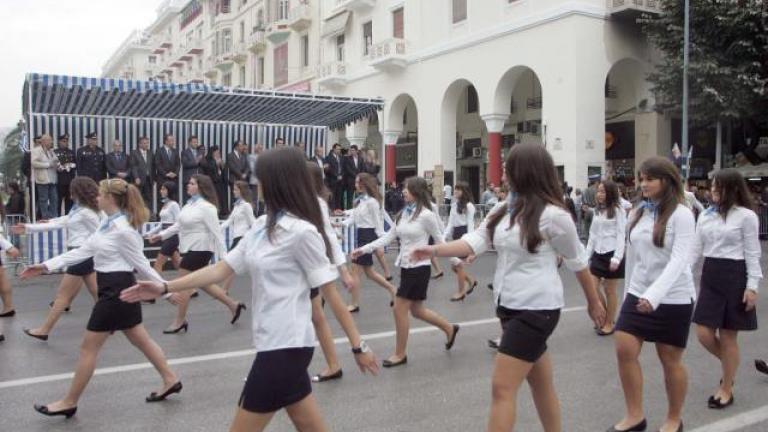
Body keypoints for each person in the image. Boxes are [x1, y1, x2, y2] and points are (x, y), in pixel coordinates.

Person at [120, 147, 378, 431]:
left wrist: (359, 346)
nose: (257, 185)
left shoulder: (302, 233)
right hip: (273, 343)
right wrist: (164, 285)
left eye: (261, 178)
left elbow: (331, 295)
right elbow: (221, 269)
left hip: (285, 348)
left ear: (278, 181)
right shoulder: (260, 226)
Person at [411, 143, 605, 430]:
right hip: (508, 305)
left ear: (524, 171)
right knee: (541, 384)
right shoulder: (503, 209)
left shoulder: (554, 215)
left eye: (506, 167)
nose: (501, 172)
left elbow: (578, 261)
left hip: (537, 309)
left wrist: (594, 302)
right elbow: (474, 242)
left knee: (502, 388)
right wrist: (434, 250)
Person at [21, 178, 181, 418]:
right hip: (113, 287)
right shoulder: (106, 223)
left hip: (117, 290)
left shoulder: (123, 230)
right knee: (141, 339)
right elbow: (83, 251)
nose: (96, 198)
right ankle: (170, 379)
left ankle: (69, 401)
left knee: (88, 348)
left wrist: (166, 289)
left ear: (110, 199)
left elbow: (141, 264)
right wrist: (45, 265)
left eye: (100, 195)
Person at [608, 156, 696, 432]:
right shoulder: (638, 212)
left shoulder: (682, 213)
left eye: (649, 178)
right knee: (624, 348)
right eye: (641, 178)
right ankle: (635, 416)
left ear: (667, 181)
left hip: (674, 297)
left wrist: (655, 295)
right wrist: (628, 299)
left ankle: (673, 418)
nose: (643, 184)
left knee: (670, 360)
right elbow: (633, 259)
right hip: (638, 293)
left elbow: (680, 260)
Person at [352, 176, 460, 368]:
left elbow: (439, 241)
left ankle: (400, 354)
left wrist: (456, 260)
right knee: (417, 311)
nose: (403, 191)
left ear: (416, 192)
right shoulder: (402, 214)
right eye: (403, 188)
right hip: (405, 267)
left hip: (419, 269)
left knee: (399, 308)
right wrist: (364, 249)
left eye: (407, 189)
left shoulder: (427, 215)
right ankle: (450, 328)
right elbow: (388, 237)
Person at [690, 169, 761, 409]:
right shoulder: (706, 215)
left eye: (718, 187)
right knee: (703, 333)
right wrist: (680, 275)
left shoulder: (746, 216)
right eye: (712, 187)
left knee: (729, 336)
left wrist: (752, 287)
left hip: (735, 276)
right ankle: (730, 367)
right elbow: (695, 249)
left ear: (733, 189)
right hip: (711, 275)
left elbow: (753, 253)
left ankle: (726, 387)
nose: (712, 191)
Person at [148, 174, 246, 334]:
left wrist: (225, 258)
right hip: (190, 248)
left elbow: (217, 233)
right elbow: (177, 225)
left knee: (184, 283)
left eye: (192, 183)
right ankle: (233, 305)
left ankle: (179, 321)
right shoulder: (188, 206)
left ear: (200, 187)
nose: (188, 185)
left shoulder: (207, 208)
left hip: (201, 249)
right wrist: (160, 236)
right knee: (203, 282)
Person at [15, 177, 101, 340]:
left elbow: (100, 234)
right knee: (97, 292)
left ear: (78, 191)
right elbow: (63, 221)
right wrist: (30, 227)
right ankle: (108, 322)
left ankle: (44, 330)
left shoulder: (87, 212)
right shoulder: (80, 208)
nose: (70, 193)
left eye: (72, 190)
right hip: (82, 255)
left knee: (62, 297)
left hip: (81, 254)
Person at [306, 161, 360, 382]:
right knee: (316, 315)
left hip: (319, 259)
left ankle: (355, 348)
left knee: (328, 310)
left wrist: (344, 271)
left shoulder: (316, 202)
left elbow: (328, 235)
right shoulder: (301, 200)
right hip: (308, 261)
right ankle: (334, 363)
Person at [336, 173, 396, 312]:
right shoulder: (360, 201)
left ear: (364, 184)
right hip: (361, 235)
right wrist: (340, 223)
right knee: (369, 273)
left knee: (355, 270)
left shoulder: (372, 202)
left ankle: (354, 304)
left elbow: (378, 223)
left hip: (368, 236)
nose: (355, 185)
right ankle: (393, 289)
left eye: (357, 182)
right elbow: (354, 219)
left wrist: (382, 241)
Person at [584, 180, 627, 336]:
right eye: (598, 191)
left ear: (610, 193)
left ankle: (609, 322)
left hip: (612, 254)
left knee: (610, 290)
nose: (599, 194)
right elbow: (593, 235)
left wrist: (617, 257)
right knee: (592, 288)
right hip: (597, 253)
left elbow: (621, 235)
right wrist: (586, 256)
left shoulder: (618, 210)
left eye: (603, 191)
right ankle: (604, 317)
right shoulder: (596, 211)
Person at [443, 181, 478, 301]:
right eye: (455, 189)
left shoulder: (469, 206)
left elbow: (471, 224)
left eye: (459, 189)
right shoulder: (453, 205)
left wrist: (470, 240)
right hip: (456, 234)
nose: (456, 191)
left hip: (464, 234)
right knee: (455, 267)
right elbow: (450, 224)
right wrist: (443, 237)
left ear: (464, 191)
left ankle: (461, 291)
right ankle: (470, 281)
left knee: (458, 266)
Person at [220, 181, 256, 294]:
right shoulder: (237, 206)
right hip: (237, 237)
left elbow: (253, 222)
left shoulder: (246, 206)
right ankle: (224, 289)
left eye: (235, 189)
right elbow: (229, 220)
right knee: (236, 264)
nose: (233, 191)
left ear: (241, 191)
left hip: (242, 237)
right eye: (234, 189)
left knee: (231, 263)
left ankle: (224, 290)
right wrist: (217, 229)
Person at [144, 182, 182, 275]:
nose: (161, 191)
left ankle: (161, 288)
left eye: (164, 189)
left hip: (172, 237)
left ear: (169, 190)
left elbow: (179, 223)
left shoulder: (174, 205)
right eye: (161, 189)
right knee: (179, 265)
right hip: (165, 237)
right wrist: (149, 233)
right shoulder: (165, 204)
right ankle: (192, 283)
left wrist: (161, 234)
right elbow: (161, 224)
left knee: (158, 264)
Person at [31, 134, 59, 219]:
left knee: (54, 198)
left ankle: (54, 216)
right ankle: (45, 217)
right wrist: (48, 164)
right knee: (43, 199)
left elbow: (55, 161)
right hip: (42, 179)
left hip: (52, 178)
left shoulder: (51, 151)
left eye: (51, 140)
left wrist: (59, 166)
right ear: (43, 141)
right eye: (49, 140)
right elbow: (34, 163)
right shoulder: (36, 150)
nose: (51, 142)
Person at [200, 145, 228, 218]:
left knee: (221, 198)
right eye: (216, 152)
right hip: (212, 182)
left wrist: (222, 165)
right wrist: (216, 163)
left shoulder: (220, 159)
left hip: (220, 182)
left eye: (219, 152)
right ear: (212, 152)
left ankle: (222, 212)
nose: (218, 154)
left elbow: (223, 170)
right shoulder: (208, 159)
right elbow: (208, 168)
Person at [154, 134, 180, 211]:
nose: (173, 142)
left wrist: (175, 173)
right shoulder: (159, 151)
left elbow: (178, 164)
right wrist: (166, 174)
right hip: (163, 179)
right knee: (162, 198)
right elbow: (157, 164)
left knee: (174, 198)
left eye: (173, 140)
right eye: (171, 140)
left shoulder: (175, 151)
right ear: (166, 141)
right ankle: (160, 217)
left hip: (173, 179)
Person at [129, 136, 154, 210]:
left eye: (147, 143)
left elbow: (153, 166)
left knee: (149, 199)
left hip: (149, 180)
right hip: (139, 180)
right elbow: (133, 166)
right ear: (139, 144)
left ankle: (149, 216)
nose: (146, 145)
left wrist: (154, 178)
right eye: (144, 143)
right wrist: (136, 177)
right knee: (138, 198)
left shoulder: (150, 153)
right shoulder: (134, 153)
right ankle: (138, 215)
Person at [54, 134, 77, 214]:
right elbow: (54, 165)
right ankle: (58, 218)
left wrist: (70, 165)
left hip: (70, 180)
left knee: (69, 201)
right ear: (59, 142)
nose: (65, 143)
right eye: (63, 141)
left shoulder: (71, 152)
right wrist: (61, 167)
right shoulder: (55, 152)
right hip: (59, 180)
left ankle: (68, 217)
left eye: (66, 141)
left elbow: (75, 164)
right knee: (58, 201)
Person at [181, 136, 205, 201]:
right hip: (189, 179)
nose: (196, 144)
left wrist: (202, 160)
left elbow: (204, 164)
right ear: (189, 143)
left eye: (197, 142)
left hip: (198, 179)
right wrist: (196, 161)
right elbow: (186, 164)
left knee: (199, 198)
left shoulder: (200, 152)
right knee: (187, 198)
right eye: (194, 142)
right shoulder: (185, 152)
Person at [342, 145, 363, 210]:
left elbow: (362, 168)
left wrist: (359, 176)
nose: (352, 152)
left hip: (359, 181)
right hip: (350, 181)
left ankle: (359, 210)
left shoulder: (361, 159)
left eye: (353, 150)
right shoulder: (347, 158)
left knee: (359, 197)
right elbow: (348, 169)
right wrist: (356, 176)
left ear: (357, 151)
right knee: (349, 197)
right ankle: (349, 210)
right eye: (351, 150)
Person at [325, 144, 344, 211]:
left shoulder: (341, 157)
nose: (339, 150)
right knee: (332, 196)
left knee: (339, 196)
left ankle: (338, 210)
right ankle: (332, 210)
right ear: (334, 149)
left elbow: (343, 168)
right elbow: (328, 169)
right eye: (338, 149)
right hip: (332, 180)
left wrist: (341, 175)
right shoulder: (328, 158)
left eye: (340, 149)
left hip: (340, 180)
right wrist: (336, 175)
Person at [247, 144, 263, 214]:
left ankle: (261, 212)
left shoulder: (264, 156)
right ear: (255, 149)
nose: (260, 149)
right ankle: (254, 212)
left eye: (261, 148)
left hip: (263, 181)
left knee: (262, 198)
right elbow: (253, 168)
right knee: (254, 198)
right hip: (255, 180)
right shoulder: (251, 157)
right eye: (258, 148)